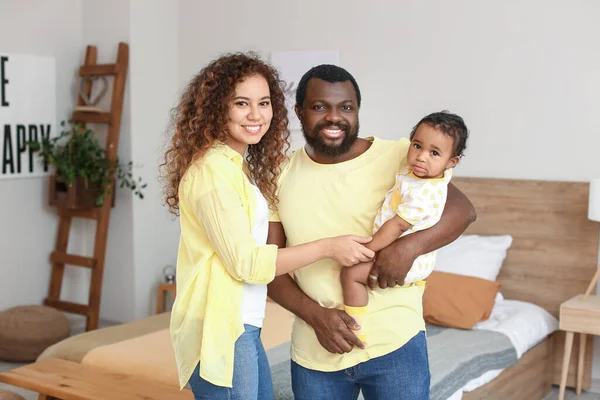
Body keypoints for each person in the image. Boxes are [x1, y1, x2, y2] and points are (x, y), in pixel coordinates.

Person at [160, 53, 375, 400]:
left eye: (264, 103)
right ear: (217, 108)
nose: (256, 115)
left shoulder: (235, 167)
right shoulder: (212, 171)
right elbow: (246, 264)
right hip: (221, 325)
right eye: (241, 103)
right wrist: (328, 247)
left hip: (241, 322)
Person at [266, 64, 477, 400]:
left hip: (395, 346)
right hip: (314, 351)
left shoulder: (403, 155)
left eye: (346, 107)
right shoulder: (279, 174)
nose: (335, 117)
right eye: (320, 107)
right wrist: (315, 316)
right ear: (299, 111)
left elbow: (463, 211)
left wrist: (407, 249)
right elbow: (268, 266)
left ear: (358, 110)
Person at [341, 110, 469, 342]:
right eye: (417, 146)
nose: (422, 157)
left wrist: (368, 249)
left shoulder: (423, 193)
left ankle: (355, 326)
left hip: (407, 258)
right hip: (414, 257)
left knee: (350, 273)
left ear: (452, 162)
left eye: (434, 153)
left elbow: (398, 226)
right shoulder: (431, 176)